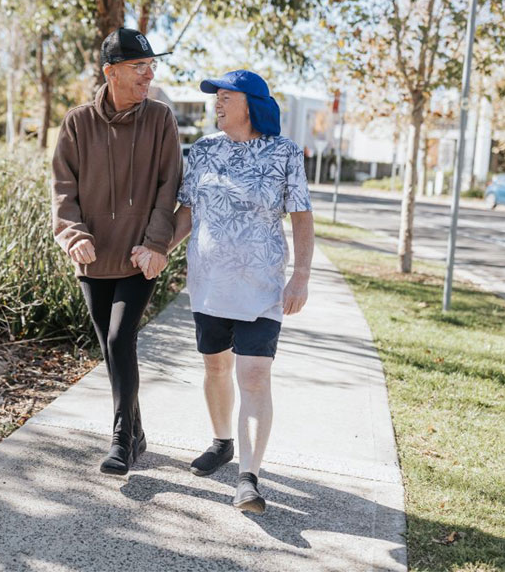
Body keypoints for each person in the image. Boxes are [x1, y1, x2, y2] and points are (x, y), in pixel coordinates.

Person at [159, 69, 314, 513]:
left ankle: (249, 477)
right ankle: (222, 441)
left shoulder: (284, 153)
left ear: (250, 104)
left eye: (225, 96)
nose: (217, 104)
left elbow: (301, 216)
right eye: (216, 97)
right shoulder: (204, 150)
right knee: (214, 369)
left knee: (254, 376)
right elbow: (187, 212)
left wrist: (300, 275)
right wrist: (161, 250)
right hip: (209, 284)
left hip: (262, 286)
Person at [51, 27, 181, 476]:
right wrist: (74, 235)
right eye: (138, 68)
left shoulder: (161, 119)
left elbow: (169, 189)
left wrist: (155, 243)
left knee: (119, 338)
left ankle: (121, 441)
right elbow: (62, 190)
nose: (149, 75)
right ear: (111, 73)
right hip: (92, 258)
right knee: (112, 350)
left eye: (151, 67)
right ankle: (138, 433)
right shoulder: (77, 123)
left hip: (138, 258)